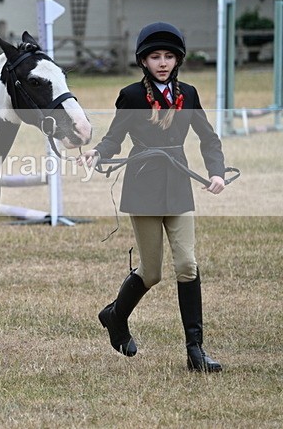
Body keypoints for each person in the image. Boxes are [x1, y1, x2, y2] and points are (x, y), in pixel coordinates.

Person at [78, 22, 226, 373]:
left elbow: (208, 138)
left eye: (169, 56)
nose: (163, 62)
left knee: (187, 265)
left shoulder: (188, 95)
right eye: (155, 56)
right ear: (143, 61)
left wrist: (216, 172)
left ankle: (195, 350)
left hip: (179, 186)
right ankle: (115, 316)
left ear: (178, 60)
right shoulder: (130, 96)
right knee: (151, 272)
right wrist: (99, 153)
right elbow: (115, 138)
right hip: (142, 186)